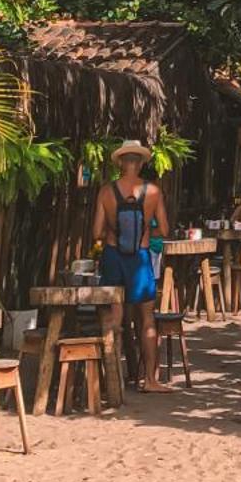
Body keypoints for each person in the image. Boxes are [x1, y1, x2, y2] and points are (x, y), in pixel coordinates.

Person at [91, 139, 169, 392]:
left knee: (114, 317)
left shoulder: (106, 191)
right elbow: (165, 229)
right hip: (141, 257)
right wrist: (146, 230)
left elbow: (96, 233)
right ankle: (150, 380)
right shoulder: (153, 192)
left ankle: (112, 380)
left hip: (113, 256)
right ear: (141, 163)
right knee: (147, 320)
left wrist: (116, 231)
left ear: (121, 163)